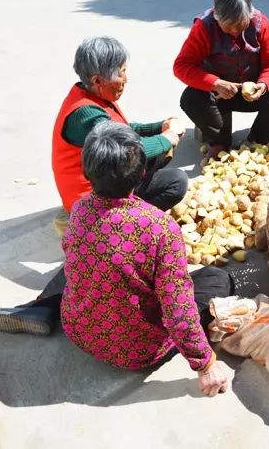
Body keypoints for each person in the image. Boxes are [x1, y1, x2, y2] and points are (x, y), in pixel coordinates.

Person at [0, 37, 189, 335]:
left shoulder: (95, 97)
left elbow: (126, 132)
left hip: (107, 182)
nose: (126, 77)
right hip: (88, 196)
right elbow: (131, 150)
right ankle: (43, 306)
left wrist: (158, 127)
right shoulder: (85, 114)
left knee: (175, 181)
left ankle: (124, 227)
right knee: (101, 245)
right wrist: (167, 139)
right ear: (97, 79)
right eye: (120, 71)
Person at [60, 122, 234, 394]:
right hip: (133, 352)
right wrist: (206, 363)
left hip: (78, 330)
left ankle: (44, 307)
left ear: (87, 171)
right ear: (143, 173)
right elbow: (178, 310)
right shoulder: (160, 229)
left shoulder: (80, 208)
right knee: (218, 279)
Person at [175, 0, 269, 159]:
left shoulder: (260, 23)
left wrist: (263, 85)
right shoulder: (204, 27)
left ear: (250, 15)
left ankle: (260, 137)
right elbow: (182, 66)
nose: (235, 31)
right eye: (229, 26)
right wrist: (214, 83)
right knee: (191, 99)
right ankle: (219, 140)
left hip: (252, 91)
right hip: (217, 95)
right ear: (217, 17)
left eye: (241, 25)